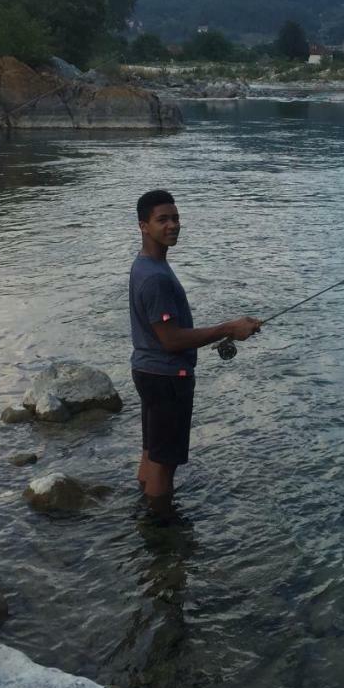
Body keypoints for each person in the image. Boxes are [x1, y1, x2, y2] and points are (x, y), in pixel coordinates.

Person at [130, 189, 260, 513]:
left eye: (175, 218)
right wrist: (229, 328)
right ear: (143, 226)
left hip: (149, 372)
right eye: (163, 220)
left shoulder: (145, 264)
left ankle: (143, 514)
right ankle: (160, 534)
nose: (173, 225)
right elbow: (171, 340)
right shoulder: (155, 278)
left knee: (151, 453)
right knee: (164, 463)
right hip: (166, 378)